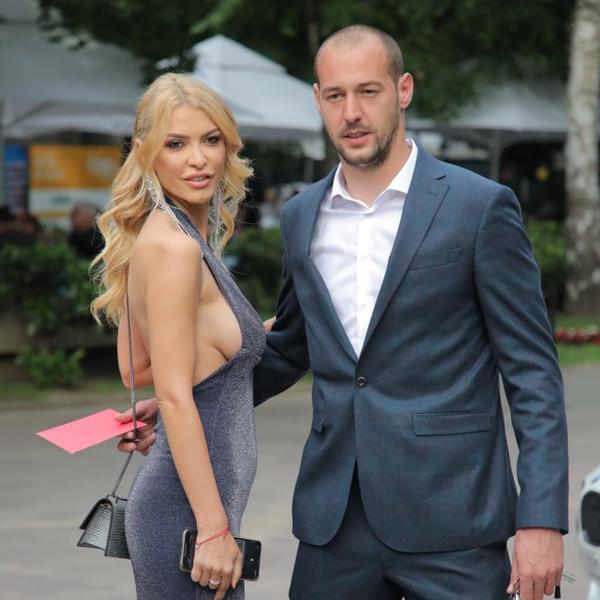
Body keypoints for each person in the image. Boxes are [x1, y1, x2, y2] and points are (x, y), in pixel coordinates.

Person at [120, 26, 568, 600]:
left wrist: (541, 519)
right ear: (318, 100)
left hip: (454, 518)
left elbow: (533, 373)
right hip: (334, 526)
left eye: (368, 91)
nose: (351, 112)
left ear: (403, 90)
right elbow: (291, 348)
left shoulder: (479, 207)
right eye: (335, 95)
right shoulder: (302, 215)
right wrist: (193, 400)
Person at [92, 73, 266, 600]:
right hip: (190, 520)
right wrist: (213, 530)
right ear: (146, 152)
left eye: (210, 140)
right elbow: (171, 392)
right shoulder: (175, 247)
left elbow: (137, 369)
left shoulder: (167, 232)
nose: (198, 159)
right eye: (176, 143)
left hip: (186, 507)